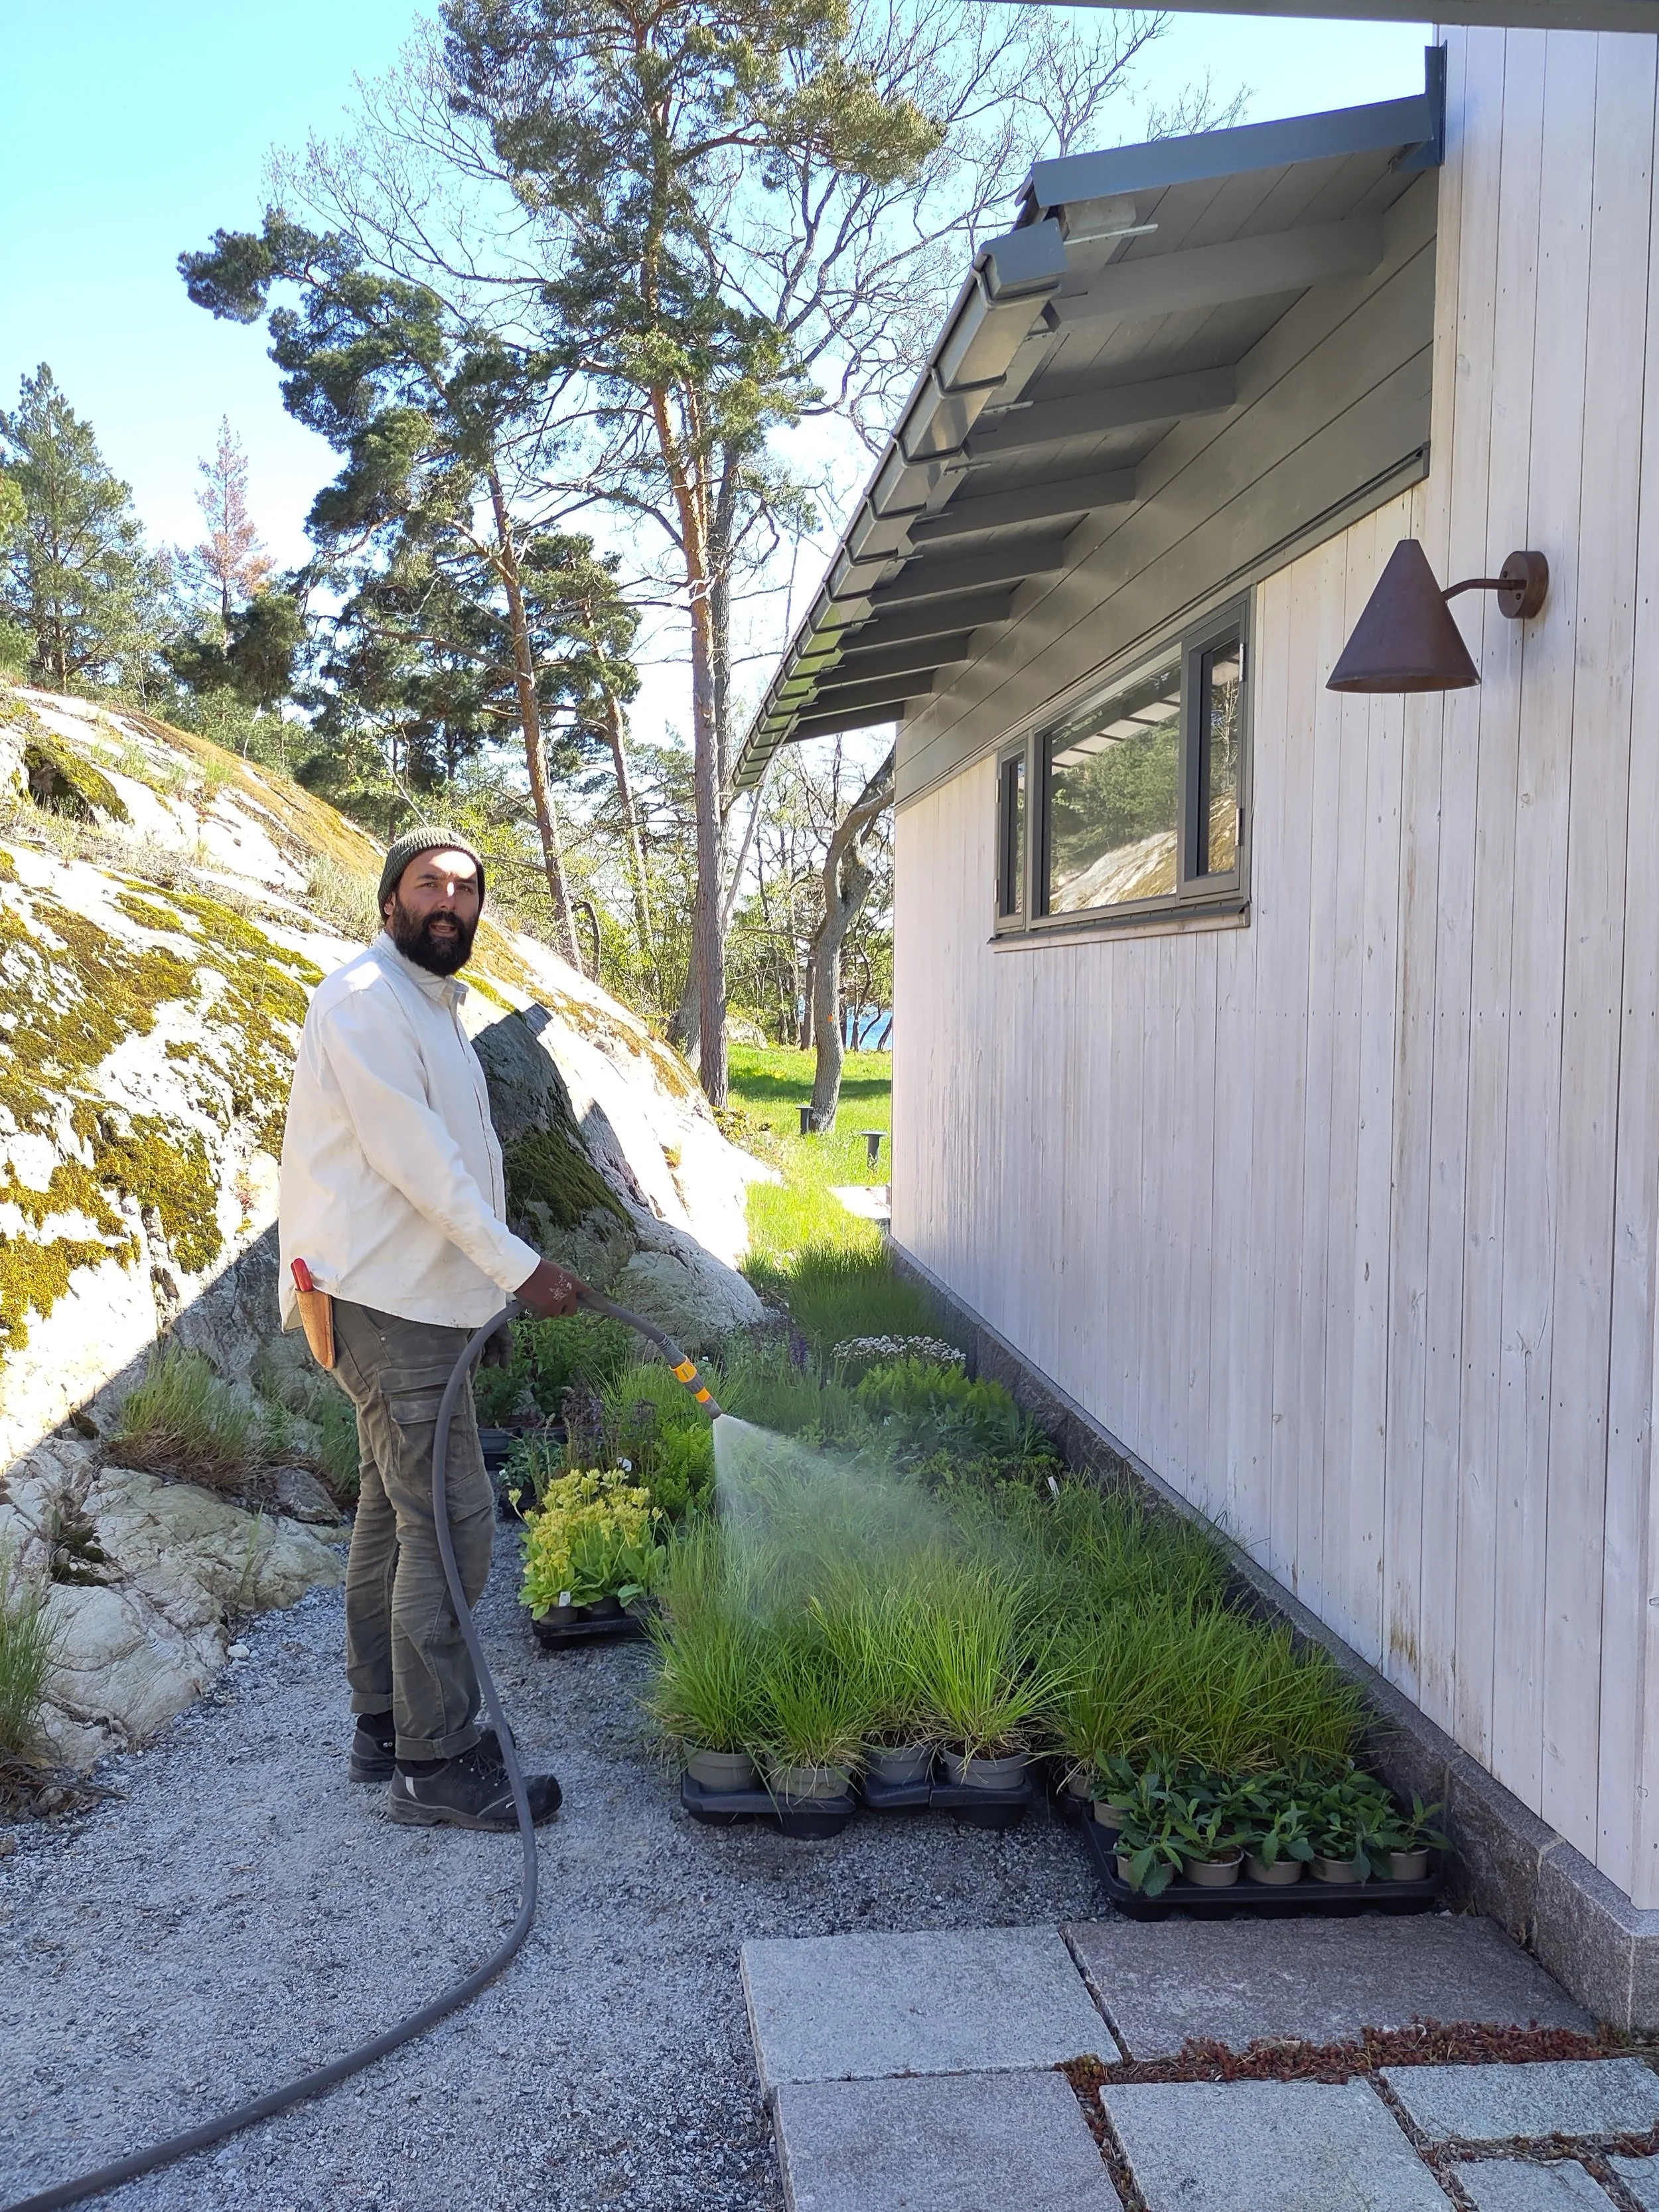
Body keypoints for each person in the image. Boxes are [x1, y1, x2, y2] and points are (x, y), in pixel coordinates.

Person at [279, 827, 585, 1831]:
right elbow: (420, 1167)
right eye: (428, 884)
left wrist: (488, 1284)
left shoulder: (432, 1005)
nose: (449, 900)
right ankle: (438, 1760)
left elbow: (457, 1165)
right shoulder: (366, 1003)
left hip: (415, 1296)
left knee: (390, 1513)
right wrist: (520, 1270)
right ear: (389, 901)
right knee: (450, 1525)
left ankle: (386, 1725)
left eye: (465, 887)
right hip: (385, 1300)